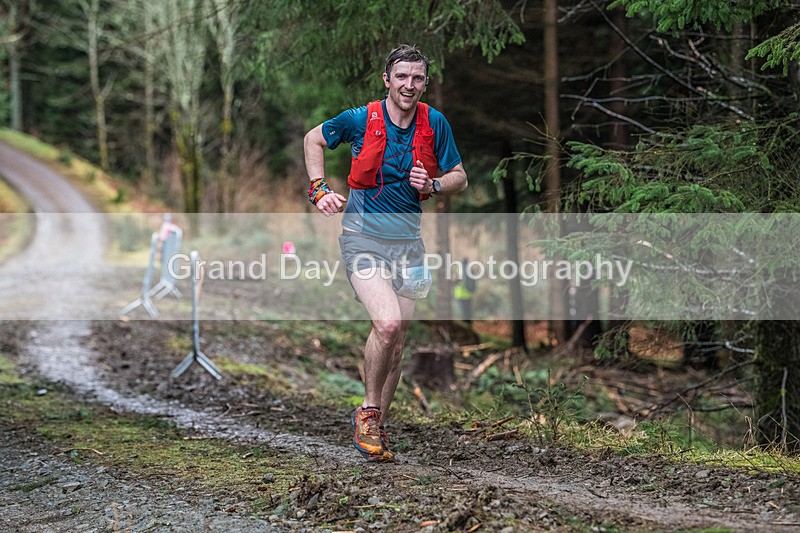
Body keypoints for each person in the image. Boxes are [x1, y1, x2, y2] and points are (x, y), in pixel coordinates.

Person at [303, 44, 467, 462]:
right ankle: (369, 412)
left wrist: (433, 184)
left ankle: (375, 425)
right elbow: (313, 139)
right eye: (402, 77)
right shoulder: (361, 118)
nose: (409, 85)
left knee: (397, 343)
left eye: (417, 78)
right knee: (388, 323)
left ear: (424, 83)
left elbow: (460, 177)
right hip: (362, 238)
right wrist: (319, 188)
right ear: (387, 80)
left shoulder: (436, 123)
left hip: (409, 245)